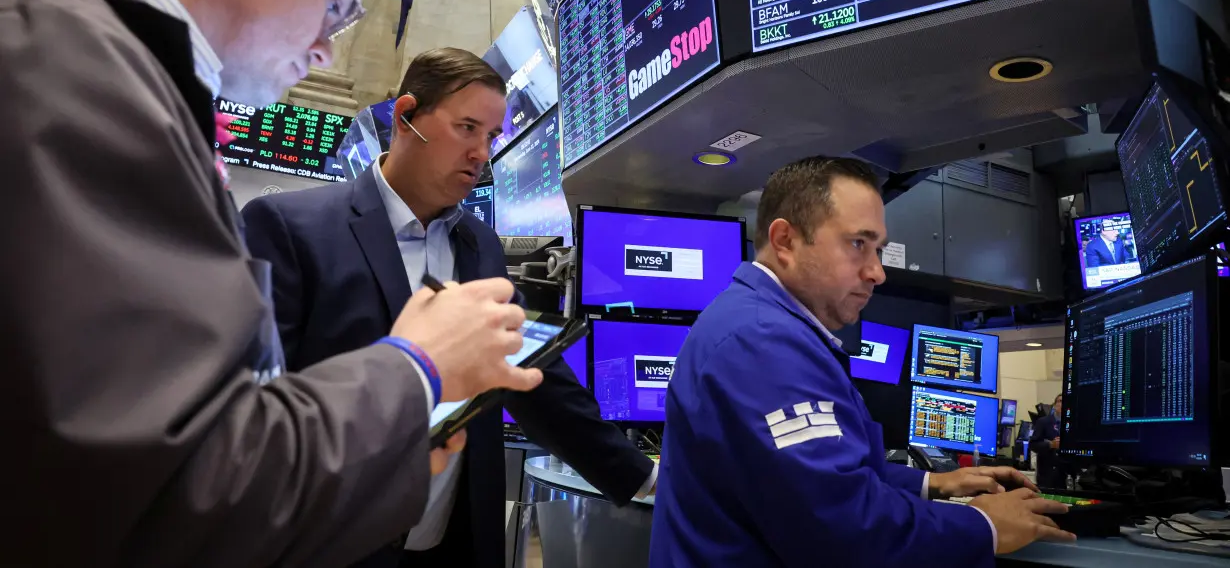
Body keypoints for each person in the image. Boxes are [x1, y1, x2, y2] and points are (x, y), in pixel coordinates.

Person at [0, 0, 543, 568]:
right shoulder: (74, 72)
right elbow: (171, 488)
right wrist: (414, 369)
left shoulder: (107, 67)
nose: (327, 47)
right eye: (336, 3)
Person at [241, 48, 657, 568]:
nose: (482, 152)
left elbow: (529, 372)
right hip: (333, 542)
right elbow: (256, 407)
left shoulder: (478, 243)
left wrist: (643, 478)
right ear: (406, 116)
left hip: (451, 540)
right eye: (467, 128)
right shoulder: (288, 227)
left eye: (491, 137)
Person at [650, 157, 1075, 567]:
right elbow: (839, 528)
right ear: (785, 241)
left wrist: (931, 483)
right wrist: (983, 525)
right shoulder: (763, 341)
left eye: (878, 249)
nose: (877, 272)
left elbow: (823, 478)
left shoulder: (760, 321)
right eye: (858, 244)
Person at [1031, 394, 1066, 490]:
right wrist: (1050, 444)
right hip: (1046, 474)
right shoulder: (1043, 422)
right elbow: (1033, 445)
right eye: (1060, 401)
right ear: (1054, 405)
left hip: (1064, 475)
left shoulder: (1071, 424)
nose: (1063, 404)